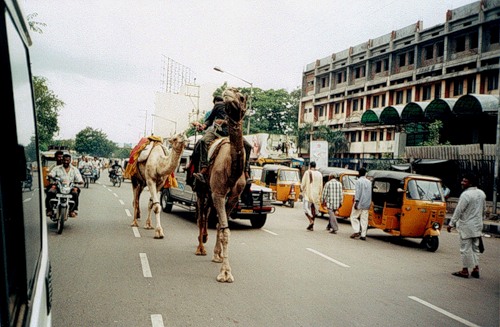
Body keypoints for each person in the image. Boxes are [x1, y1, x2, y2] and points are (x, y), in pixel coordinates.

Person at [192, 95, 252, 184]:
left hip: (233, 133)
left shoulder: (237, 107)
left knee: (248, 146)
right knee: (203, 141)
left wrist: (223, 121)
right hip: (218, 131)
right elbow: (210, 120)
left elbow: (238, 121)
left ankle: (246, 172)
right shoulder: (219, 105)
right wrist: (203, 126)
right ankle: (204, 168)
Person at [446, 173, 486, 278]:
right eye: (462, 180)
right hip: (477, 226)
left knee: (465, 249)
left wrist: (451, 224)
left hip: (467, 226)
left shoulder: (465, 195)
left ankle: (465, 270)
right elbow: (484, 210)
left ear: (470, 183)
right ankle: (476, 268)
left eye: (465, 181)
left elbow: (459, 210)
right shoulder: (481, 193)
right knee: (475, 248)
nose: (462, 182)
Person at [349, 167, 372, 240]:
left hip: (359, 203)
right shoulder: (369, 182)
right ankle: (363, 235)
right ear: (365, 174)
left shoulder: (358, 181)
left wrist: (356, 201)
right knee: (364, 219)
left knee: (353, 217)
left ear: (359, 174)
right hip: (366, 203)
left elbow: (358, 192)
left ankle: (356, 230)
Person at [300, 161, 323, 231]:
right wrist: (320, 193)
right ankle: (312, 225)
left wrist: (302, 189)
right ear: (315, 166)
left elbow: (303, 184)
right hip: (316, 195)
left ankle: (311, 221)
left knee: (306, 209)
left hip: (308, 194)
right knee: (314, 210)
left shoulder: (307, 172)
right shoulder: (319, 174)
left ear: (310, 166)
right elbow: (321, 185)